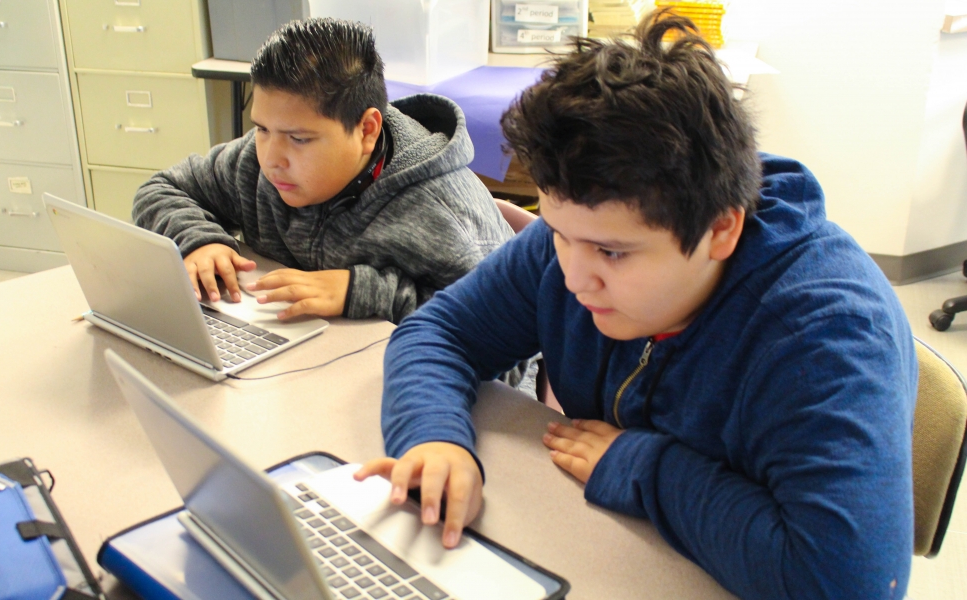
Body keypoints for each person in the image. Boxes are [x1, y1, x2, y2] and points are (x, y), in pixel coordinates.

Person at [355, 12, 917, 599]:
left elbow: (848, 584)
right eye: (557, 233)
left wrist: (644, 467)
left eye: (613, 254)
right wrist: (434, 438)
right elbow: (440, 333)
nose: (574, 278)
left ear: (721, 232)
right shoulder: (575, 237)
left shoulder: (828, 336)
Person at [133, 18, 512, 324]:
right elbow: (162, 189)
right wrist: (199, 239)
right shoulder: (259, 157)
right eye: (262, 128)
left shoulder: (443, 213)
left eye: (299, 139)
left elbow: (508, 356)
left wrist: (360, 292)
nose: (271, 159)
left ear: (367, 130)